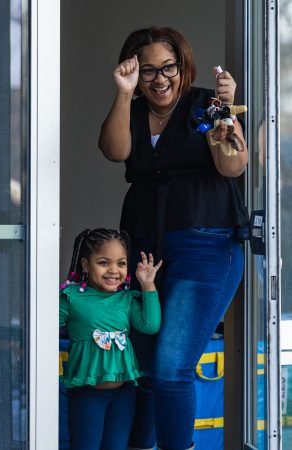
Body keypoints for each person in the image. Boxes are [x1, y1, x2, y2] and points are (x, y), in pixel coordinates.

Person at [98, 27, 249, 450]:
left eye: (169, 68)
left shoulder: (206, 104)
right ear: (133, 72)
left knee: (170, 368)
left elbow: (233, 167)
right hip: (144, 250)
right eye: (148, 71)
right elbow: (114, 151)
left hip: (206, 243)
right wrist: (124, 92)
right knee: (144, 368)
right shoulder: (131, 107)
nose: (160, 79)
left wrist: (223, 111)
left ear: (183, 66)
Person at [59, 228, 162, 450]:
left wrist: (148, 286)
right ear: (86, 265)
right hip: (87, 393)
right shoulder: (72, 296)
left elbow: (150, 325)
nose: (114, 270)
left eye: (121, 263)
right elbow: (42, 327)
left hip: (123, 393)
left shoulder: (126, 299)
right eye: (104, 262)